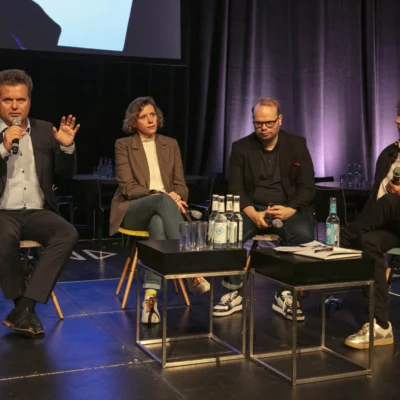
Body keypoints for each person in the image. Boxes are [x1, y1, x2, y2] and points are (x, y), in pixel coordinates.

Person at [213, 98, 315, 320]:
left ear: (280, 120)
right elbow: (236, 188)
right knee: (231, 231)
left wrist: (290, 210)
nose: (264, 128)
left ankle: (286, 293)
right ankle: (232, 292)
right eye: (258, 123)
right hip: (253, 207)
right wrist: (252, 212)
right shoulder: (241, 148)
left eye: (269, 123)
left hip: (287, 207)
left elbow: (307, 187)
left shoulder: (297, 145)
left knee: (304, 235)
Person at [110, 96, 209, 324]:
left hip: (164, 213)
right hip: (133, 209)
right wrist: (163, 195)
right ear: (134, 122)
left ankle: (150, 299)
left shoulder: (170, 144)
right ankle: (191, 270)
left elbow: (180, 184)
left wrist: (176, 196)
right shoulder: (123, 145)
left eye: (152, 114)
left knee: (157, 222)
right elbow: (128, 188)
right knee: (161, 203)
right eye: (143, 117)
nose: (150, 120)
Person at [0, 69, 79, 337]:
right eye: (7, 100)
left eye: (20, 100)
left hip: (37, 211)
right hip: (2, 212)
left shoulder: (45, 130)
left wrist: (67, 147)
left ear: (29, 101)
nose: (14, 106)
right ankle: (22, 309)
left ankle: (24, 308)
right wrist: (3, 146)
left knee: (67, 233)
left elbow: (66, 173)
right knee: (3, 238)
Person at [341, 101, 400, 349]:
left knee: (390, 200)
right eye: (398, 115)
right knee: (368, 241)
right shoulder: (388, 153)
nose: (397, 121)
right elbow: (372, 205)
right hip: (392, 227)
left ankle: (339, 243)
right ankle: (380, 325)